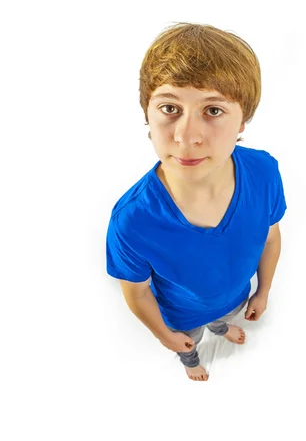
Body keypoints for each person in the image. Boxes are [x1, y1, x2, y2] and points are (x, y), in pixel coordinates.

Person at [106, 22, 287, 381]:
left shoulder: (264, 171)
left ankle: (220, 329)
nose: (187, 137)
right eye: (170, 108)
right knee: (189, 344)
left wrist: (262, 292)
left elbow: (270, 237)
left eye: (213, 111)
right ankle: (191, 361)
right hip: (181, 317)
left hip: (236, 297)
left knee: (221, 320)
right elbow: (139, 294)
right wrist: (165, 335)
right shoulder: (131, 220)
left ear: (243, 120)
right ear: (147, 114)